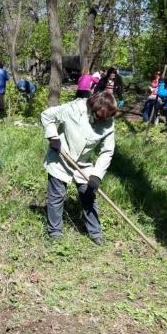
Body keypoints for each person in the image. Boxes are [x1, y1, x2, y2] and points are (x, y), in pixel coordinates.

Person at [41, 91, 117, 246]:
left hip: (83, 163)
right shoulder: (74, 108)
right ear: (92, 107)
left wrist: (97, 175)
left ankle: (95, 232)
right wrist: (53, 137)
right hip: (61, 157)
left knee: (88, 195)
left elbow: (107, 151)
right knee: (56, 196)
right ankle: (55, 232)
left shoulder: (108, 122)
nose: (101, 121)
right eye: (98, 117)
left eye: (105, 119)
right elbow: (47, 116)